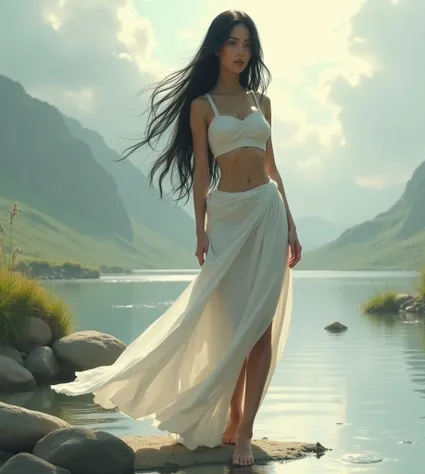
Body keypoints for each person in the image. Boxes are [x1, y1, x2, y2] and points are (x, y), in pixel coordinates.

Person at [52, 9, 302, 467]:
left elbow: (271, 166)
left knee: (260, 328)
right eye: (232, 42)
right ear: (216, 47)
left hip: (266, 211)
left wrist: (290, 221)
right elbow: (202, 173)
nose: (241, 52)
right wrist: (200, 230)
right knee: (232, 328)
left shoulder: (261, 102)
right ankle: (228, 416)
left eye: (247, 43)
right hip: (227, 218)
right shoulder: (202, 106)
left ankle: (244, 432)